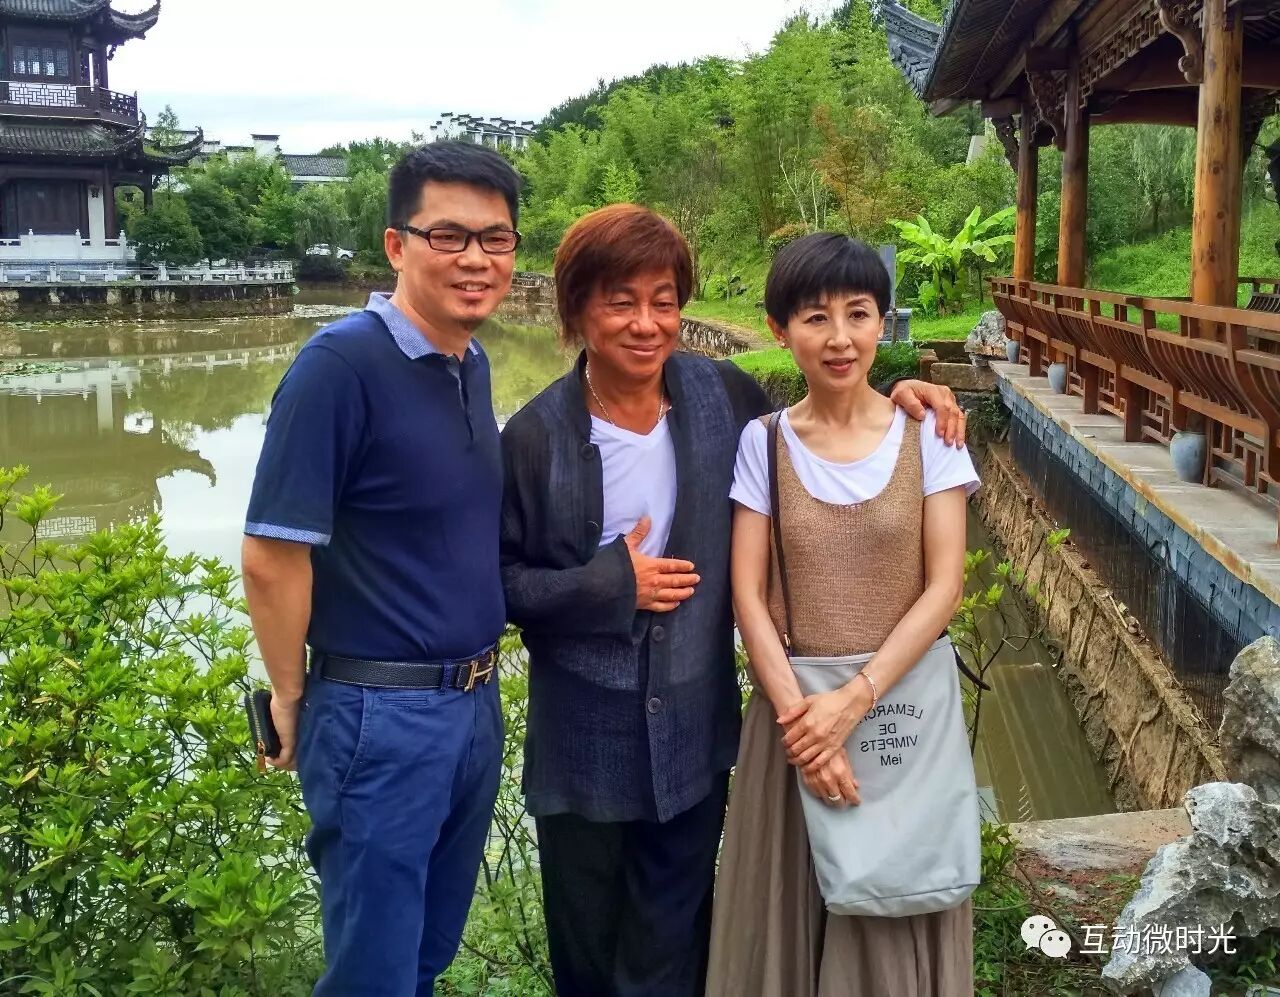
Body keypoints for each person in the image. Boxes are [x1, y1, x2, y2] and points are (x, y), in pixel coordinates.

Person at [498, 205, 966, 997]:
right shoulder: (534, 436)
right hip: (584, 747)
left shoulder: (722, 398)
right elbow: (501, 585)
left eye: (663, 300)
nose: (646, 323)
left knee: (676, 952)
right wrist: (609, 583)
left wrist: (907, 391)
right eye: (620, 301)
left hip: (692, 733)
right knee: (587, 959)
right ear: (577, 308)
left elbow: (828, 418)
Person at [240, 142, 522, 996]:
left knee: (425, 956)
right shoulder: (339, 367)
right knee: (375, 973)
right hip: (378, 716)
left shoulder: (469, 363)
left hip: (472, 704)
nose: (475, 258)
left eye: (496, 238)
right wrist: (290, 694)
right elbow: (272, 554)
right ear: (397, 245)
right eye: (448, 235)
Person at [705, 232, 981, 997]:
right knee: (784, 922)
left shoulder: (930, 436)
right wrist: (806, 728)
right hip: (794, 720)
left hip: (901, 714)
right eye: (814, 317)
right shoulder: (763, 443)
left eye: (858, 314)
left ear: (882, 322)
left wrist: (852, 702)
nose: (839, 338)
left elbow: (944, 587)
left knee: (895, 901)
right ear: (778, 329)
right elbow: (748, 595)